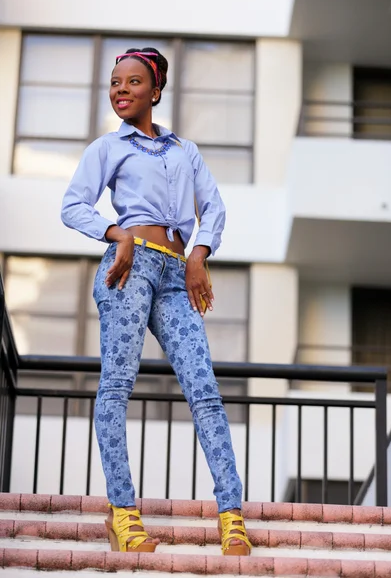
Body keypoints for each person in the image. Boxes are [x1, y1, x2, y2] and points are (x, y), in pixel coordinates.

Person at [61, 47, 252, 557]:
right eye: (115, 82)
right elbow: (72, 204)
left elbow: (213, 206)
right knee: (117, 387)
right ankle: (123, 514)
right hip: (128, 269)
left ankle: (231, 515)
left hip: (175, 272)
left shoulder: (184, 151)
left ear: (155, 91)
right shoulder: (107, 147)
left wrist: (198, 255)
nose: (120, 89)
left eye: (132, 82)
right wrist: (115, 233)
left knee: (205, 389)